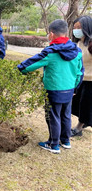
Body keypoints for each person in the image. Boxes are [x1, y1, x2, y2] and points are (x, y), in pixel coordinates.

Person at [17, 19, 84, 154]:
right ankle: (65, 141)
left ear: (52, 34)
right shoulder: (77, 51)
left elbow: (31, 63)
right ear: (66, 32)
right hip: (69, 90)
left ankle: (53, 144)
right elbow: (80, 72)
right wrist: (75, 88)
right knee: (65, 115)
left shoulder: (50, 52)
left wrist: (19, 69)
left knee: (53, 116)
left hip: (54, 90)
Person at [71, 15, 92, 137]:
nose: (76, 30)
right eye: (74, 27)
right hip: (80, 79)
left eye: (79, 27)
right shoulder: (78, 43)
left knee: (85, 104)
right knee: (76, 103)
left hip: (91, 80)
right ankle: (84, 122)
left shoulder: (91, 43)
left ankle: (78, 128)